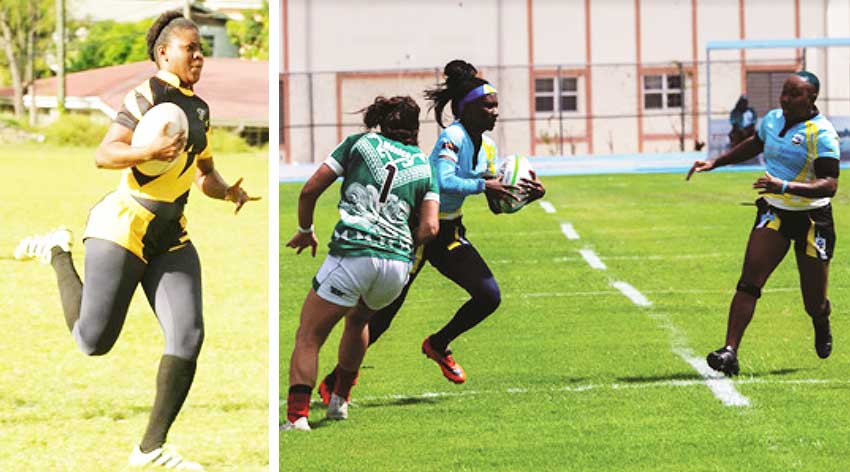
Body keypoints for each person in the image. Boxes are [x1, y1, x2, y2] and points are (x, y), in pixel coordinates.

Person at [14, 10, 258, 469]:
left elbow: (201, 173)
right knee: (92, 341)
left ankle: (150, 449)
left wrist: (227, 191)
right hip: (124, 225)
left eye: (202, 50)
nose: (199, 57)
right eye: (191, 49)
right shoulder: (146, 95)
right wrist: (146, 151)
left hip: (171, 234)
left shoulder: (199, 108)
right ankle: (57, 251)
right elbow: (105, 154)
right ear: (163, 52)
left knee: (188, 334)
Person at [317, 59, 545, 400]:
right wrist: (485, 186)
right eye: (487, 105)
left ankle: (438, 343)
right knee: (381, 316)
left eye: (496, 105)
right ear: (466, 108)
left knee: (488, 295)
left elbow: (497, 205)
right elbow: (442, 180)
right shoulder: (452, 138)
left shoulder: (489, 147)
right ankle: (335, 383)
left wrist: (524, 195)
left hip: (449, 231)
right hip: (419, 230)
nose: (495, 112)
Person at [282, 96, 440, 431]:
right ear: (415, 129)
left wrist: (305, 230)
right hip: (396, 267)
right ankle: (339, 402)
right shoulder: (425, 166)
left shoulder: (360, 144)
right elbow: (430, 228)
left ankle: (296, 418)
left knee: (310, 334)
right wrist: (398, 242)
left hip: (354, 254)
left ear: (383, 121)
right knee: (359, 321)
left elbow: (310, 190)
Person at [687, 71, 838, 376]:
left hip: (812, 219)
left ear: (811, 99)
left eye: (794, 94)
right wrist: (716, 162)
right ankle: (730, 352)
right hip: (775, 211)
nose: (785, 98)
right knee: (749, 282)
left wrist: (784, 186)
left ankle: (821, 322)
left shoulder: (821, 133)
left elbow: (830, 184)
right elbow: (754, 145)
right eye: (784, 91)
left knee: (813, 302)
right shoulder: (771, 120)